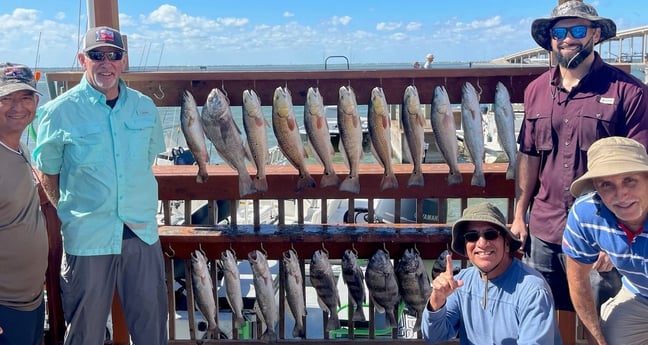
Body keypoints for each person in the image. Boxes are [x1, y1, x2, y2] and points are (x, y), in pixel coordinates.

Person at [512, 0, 648, 335]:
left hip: (603, 232)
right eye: (560, 31)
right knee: (551, 316)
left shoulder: (628, 92)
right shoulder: (536, 91)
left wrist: (615, 234)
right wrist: (519, 214)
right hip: (546, 226)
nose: (568, 38)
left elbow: (638, 167)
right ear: (551, 39)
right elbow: (529, 155)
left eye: (577, 30)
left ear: (596, 34)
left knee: (603, 318)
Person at [33, 26, 168, 345]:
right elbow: (46, 170)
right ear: (83, 59)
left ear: (124, 61)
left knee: (152, 330)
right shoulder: (57, 112)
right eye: (96, 55)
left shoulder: (145, 107)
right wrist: (66, 211)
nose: (105, 62)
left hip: (141, 233)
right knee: (85, 333)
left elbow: (145, 159)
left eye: (113, 55)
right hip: (88, 237)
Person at [422, 202, 562, 344]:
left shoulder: (532, 289)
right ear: (465, 246)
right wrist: (437, 301)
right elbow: (433, 336)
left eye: (491, 234)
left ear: (507, 244)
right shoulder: (460, 283)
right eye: (472, 236)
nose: (482, 243)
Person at [563, 136, 648, 345]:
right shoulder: (585, 214)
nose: (621, 194)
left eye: (630, 180)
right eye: (606, 184)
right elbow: (578, 280)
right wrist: (598, 340)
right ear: (596, 188)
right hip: (639, 294)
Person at [0, 63, 48, 345]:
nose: (17, 107)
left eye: (25, 97)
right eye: (6, 98)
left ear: (36, 102)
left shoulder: (19, 146)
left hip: (30, 302)